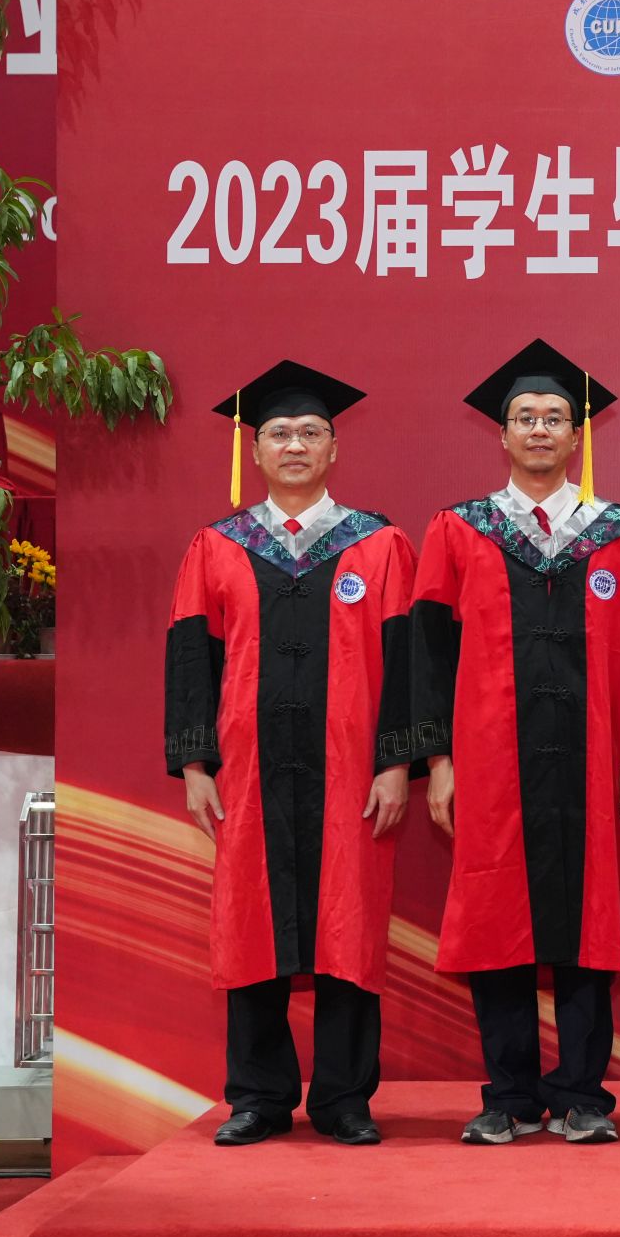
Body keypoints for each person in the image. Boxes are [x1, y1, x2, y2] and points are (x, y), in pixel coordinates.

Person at [411, 340, 620, 1146]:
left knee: (589, 924)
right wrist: (439, 762)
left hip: (596, 761)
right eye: (525, 417)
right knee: (497, 921)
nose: (539, 429)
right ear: (503, 432)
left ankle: (584, 1094)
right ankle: (511, 1095)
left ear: (576, 434)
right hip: (490, 761)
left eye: (555, 417)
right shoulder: (458, 530)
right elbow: (428, 654)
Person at [164, 361, 415, 1148]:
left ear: (335, 447)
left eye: (311, 432)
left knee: (349, 923)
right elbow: (191, 658)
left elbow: (406, 663)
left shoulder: (379, 544)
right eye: (279, 433)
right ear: (257, 449)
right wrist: (196, 763)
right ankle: (259, 1096)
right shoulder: (217, 546)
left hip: (351, 770)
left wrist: (397, 762)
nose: (295, 444)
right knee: (250, 922)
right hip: (249, 768)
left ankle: (344, 1098)